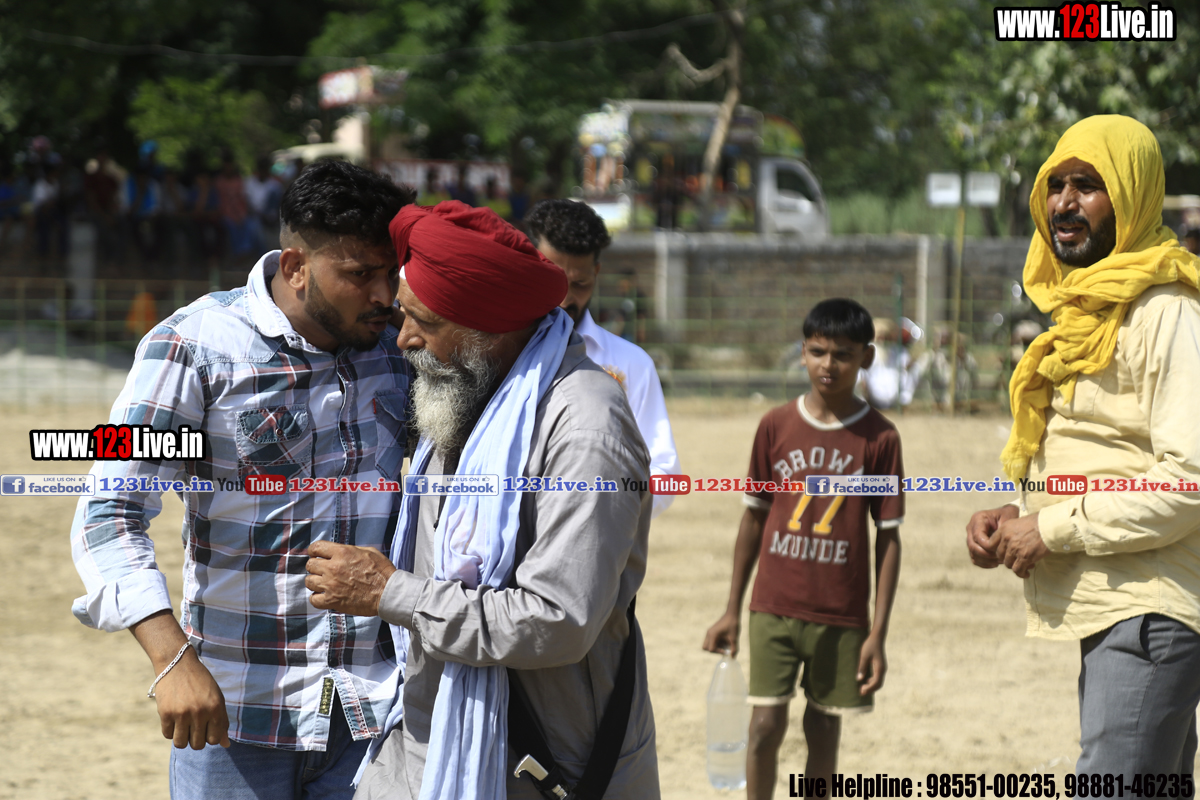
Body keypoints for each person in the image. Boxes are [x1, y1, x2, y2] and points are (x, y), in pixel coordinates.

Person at [69, 160, 416, 800]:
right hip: (234, 718)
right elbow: (109, 511)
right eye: (360, 274)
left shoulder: (400, 351)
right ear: (296, 266)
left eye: (391, 273)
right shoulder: (191, 347)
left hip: (377, 719)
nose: (382, 295)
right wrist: (172, 659)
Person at [305, 200, 659, 799]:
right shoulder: (466, 393)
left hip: (545, 765)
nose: (404, 338)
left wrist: (391, 593)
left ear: (490, 330)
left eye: (426, 323)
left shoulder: (585, 428)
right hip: (424, 739)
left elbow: (559, 620)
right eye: (403, 315)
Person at [966, 115, 1200, 778]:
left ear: (1132, 197)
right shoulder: (1088, 312)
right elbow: (1107, 453)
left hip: (1149, 607)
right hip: (1118, 601)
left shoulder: (1167, 312)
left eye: (1089, 186)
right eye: (1056, 185)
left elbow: (1189, 480)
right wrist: (1020, 514)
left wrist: (1053, 528)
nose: (1064, 203)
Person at [703, 298, 904, 800]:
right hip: (773, 606)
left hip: (840, 613)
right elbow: (754, 517)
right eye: (817, 352)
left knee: (823, 726)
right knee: (764, 726)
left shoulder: (881, 439)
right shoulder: (775, 425)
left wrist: (877, 632)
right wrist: (731, 609)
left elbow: (888, 536)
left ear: (866, 358)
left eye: (843, 354)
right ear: (802, 352)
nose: (828, 365)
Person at [526, 198, 681, 518]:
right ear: (530, 265)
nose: (564, 299)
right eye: (554, 281)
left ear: (596, 272)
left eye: (579, 284)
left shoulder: (631, 364)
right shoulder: (500, 351)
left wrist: (603, 510)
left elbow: (666, 473)